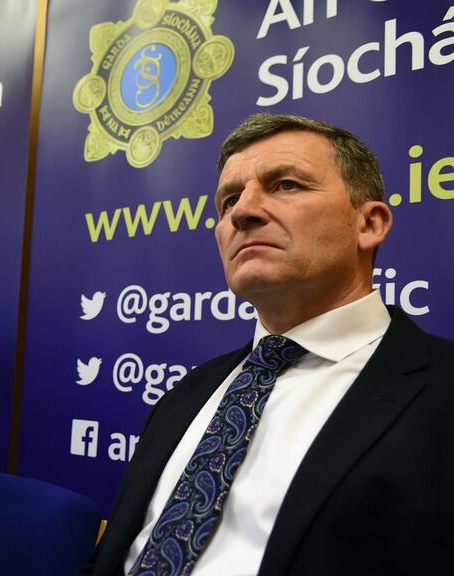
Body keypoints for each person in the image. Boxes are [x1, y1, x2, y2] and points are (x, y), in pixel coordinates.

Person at [80, 113, 454, 576]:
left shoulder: (441, 392)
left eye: (286, 186)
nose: (243, 212)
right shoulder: (187, 394)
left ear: (370, 224)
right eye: (229, 199)